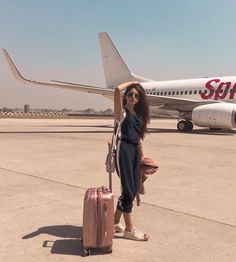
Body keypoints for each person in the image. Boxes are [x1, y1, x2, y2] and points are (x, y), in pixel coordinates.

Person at [113, 81, 150, 241]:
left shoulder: (139, 117)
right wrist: (133, 83)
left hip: (135, 151)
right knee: (128, 190)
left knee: (133, 189)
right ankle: (129, 229)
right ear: (126, 97)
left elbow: (139, 140)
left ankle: (114, 222)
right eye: (130, 94)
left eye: (136, 95)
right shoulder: (121, 114)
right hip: (124, 151)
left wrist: (142, 158)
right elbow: (116, 90)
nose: (133, 97)